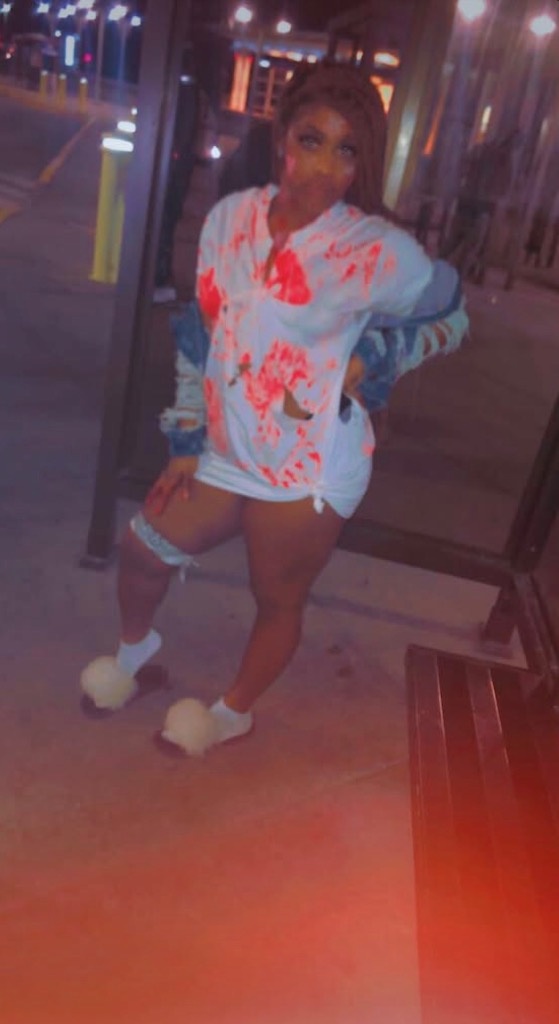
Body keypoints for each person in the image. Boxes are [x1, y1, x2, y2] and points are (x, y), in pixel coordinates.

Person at [82, 61, 468, 753]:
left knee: (276, 597)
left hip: (306, 466)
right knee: (142, 549)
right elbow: (200, 333)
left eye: (346, 150)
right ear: (281, 136)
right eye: (310, 140)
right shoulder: (230, 220)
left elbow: (454, 316)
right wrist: (185, 441)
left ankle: (232, 712)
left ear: (362, 164)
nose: (323, 166)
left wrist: (377, 357)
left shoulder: (375, 250)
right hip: (227, 451)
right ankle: (136, 654)